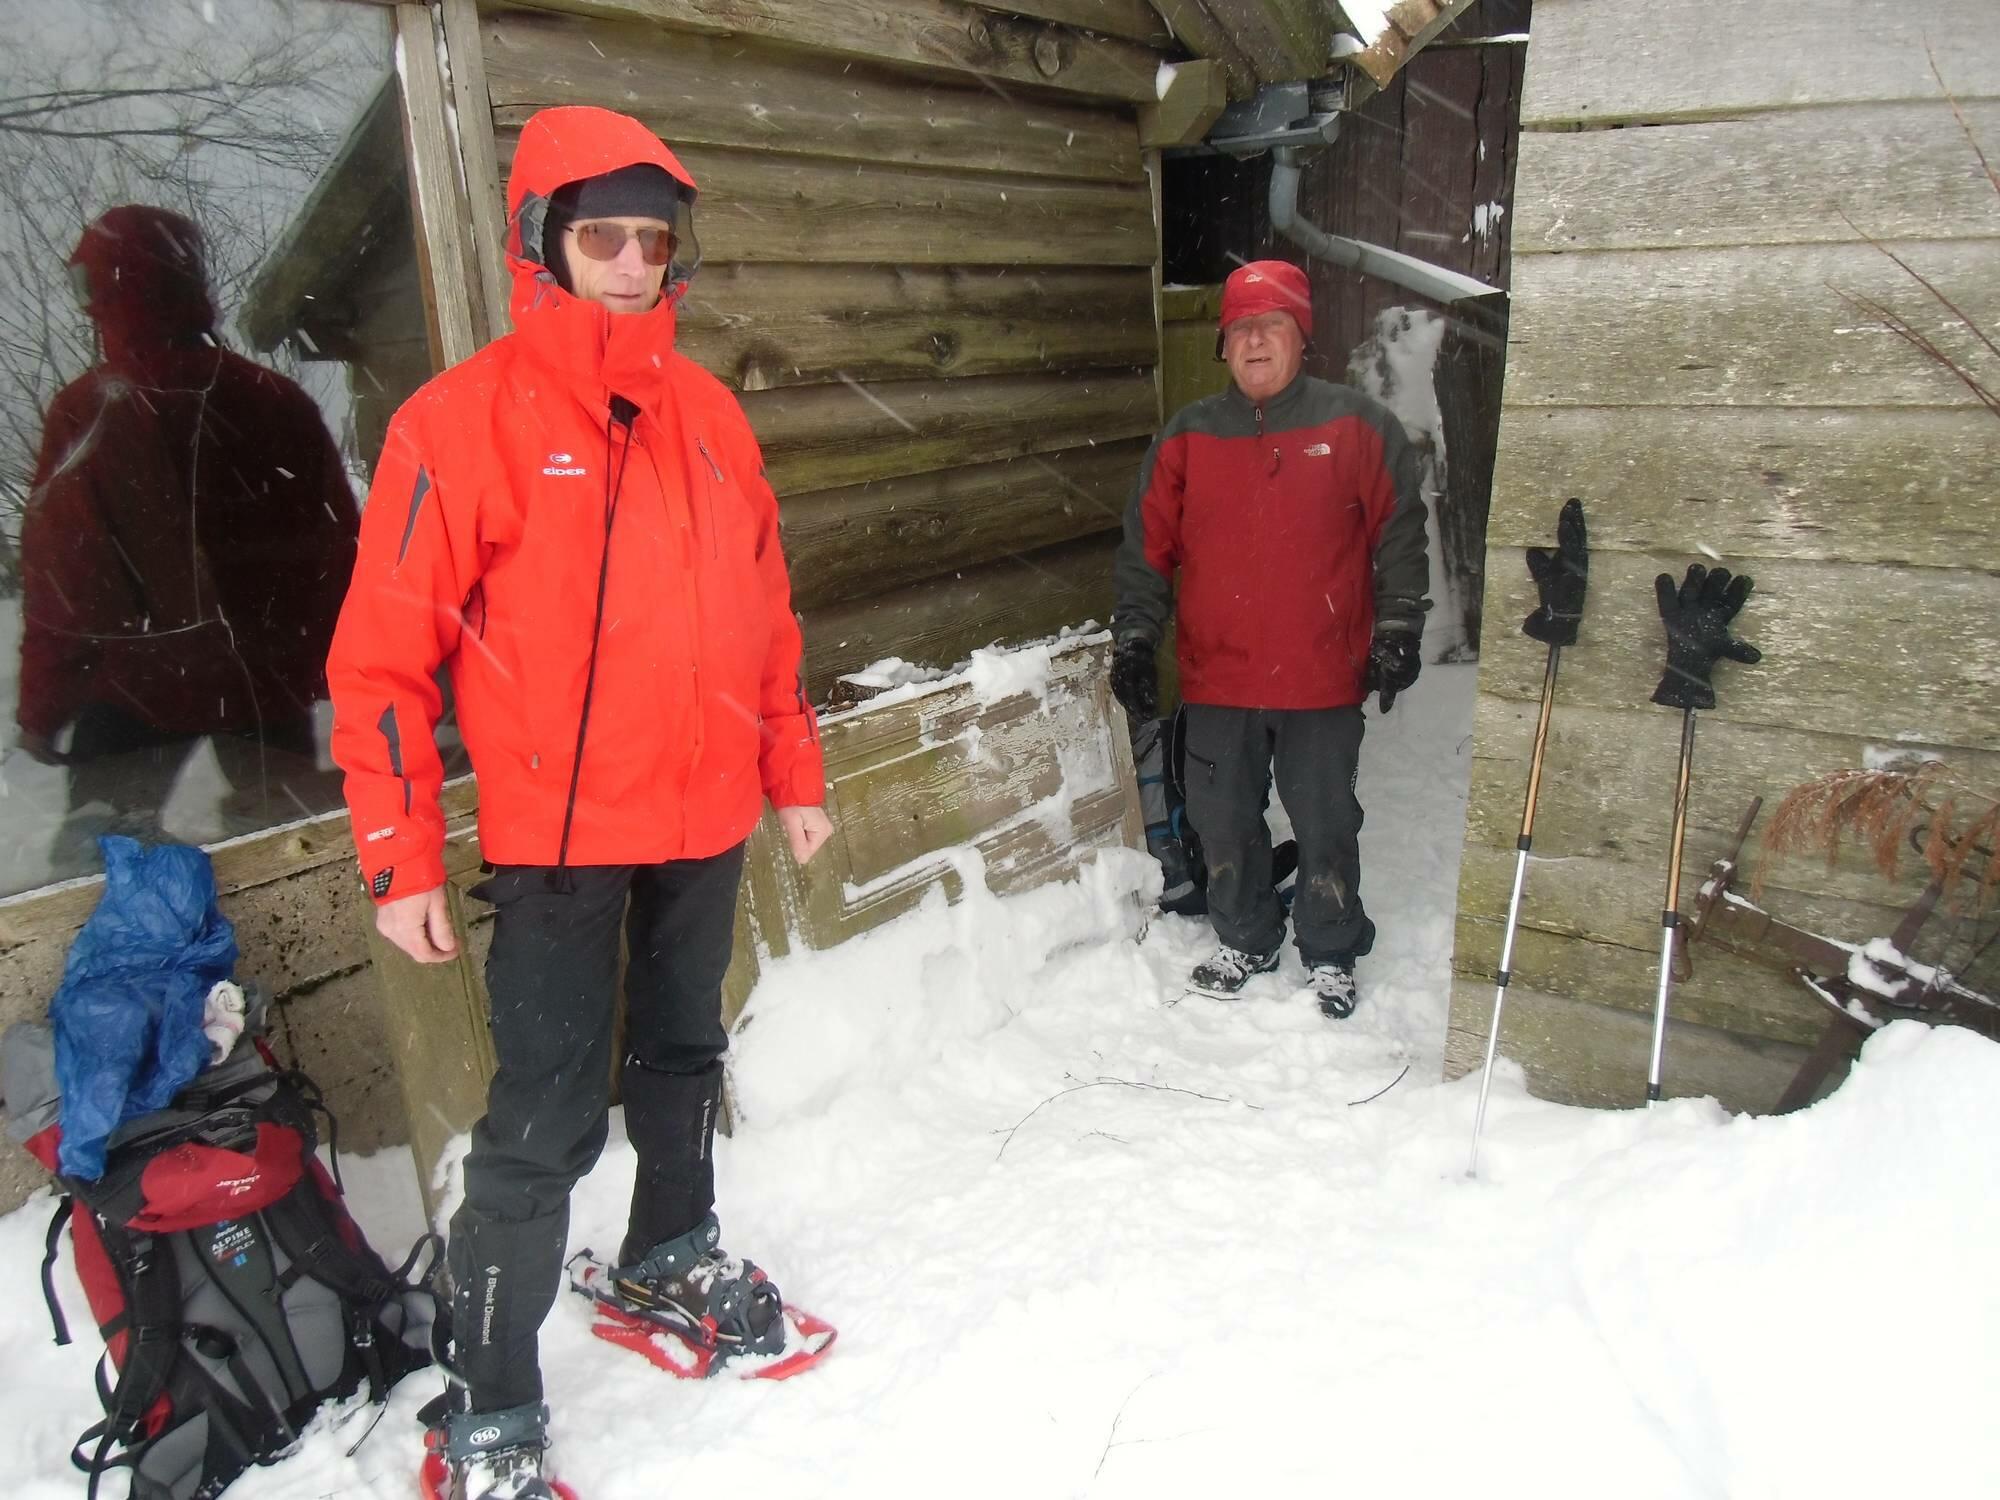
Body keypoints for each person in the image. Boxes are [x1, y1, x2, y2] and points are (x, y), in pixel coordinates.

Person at [325, 106, 832, 1500]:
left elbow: (763, 615)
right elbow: (381, 658)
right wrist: (399, 852)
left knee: (682, 1053)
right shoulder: (460, 423)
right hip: (558, 843)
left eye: (650, 240)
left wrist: (790, 769)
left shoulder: (710, 417)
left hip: (703, 816)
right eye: (599, 234)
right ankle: (488, 1397)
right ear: (541, 243)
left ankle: (669, 1248)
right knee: (543, 1119)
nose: (627, 262)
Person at [1109, 259, 1429, 1018]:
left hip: (1321, 677)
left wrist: (1397, 625)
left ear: (1300, 337)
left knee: (1325, 821)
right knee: (1221, 821)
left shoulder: (1357, 426)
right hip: (1219, 678)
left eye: (1272, 325)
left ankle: (1331, 947)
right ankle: (1247, 936)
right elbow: (1146, 546)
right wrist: (1135, 637)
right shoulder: (1188, 438)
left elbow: (1400, 533)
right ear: (1224, 345)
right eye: (1241, 329)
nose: (1255, 341)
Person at [15, 205, 358, 876]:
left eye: (88, 286)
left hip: (136, 689)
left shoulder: (89, 411)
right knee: (296, 845)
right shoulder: (271, 399)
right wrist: (330, 663)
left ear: (108, 290)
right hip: (258, 682)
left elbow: (66, 580)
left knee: (99, 865)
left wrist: (44, 706)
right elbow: (334, 551)